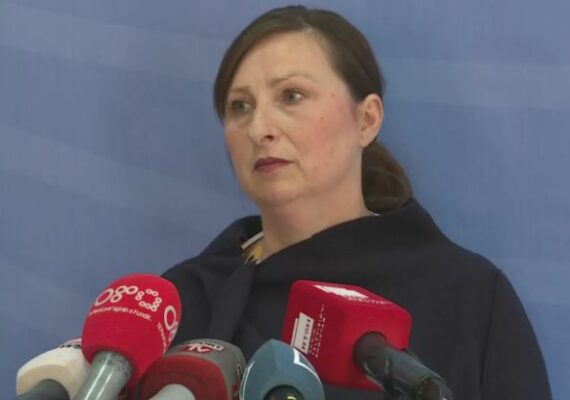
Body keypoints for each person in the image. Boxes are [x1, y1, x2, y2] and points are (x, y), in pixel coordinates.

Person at [163, 5, 551, 399]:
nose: (259, 128)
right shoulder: (180, 302)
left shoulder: (468, 298)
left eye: (291, 96)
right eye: (240, 107)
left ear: (367, 120)